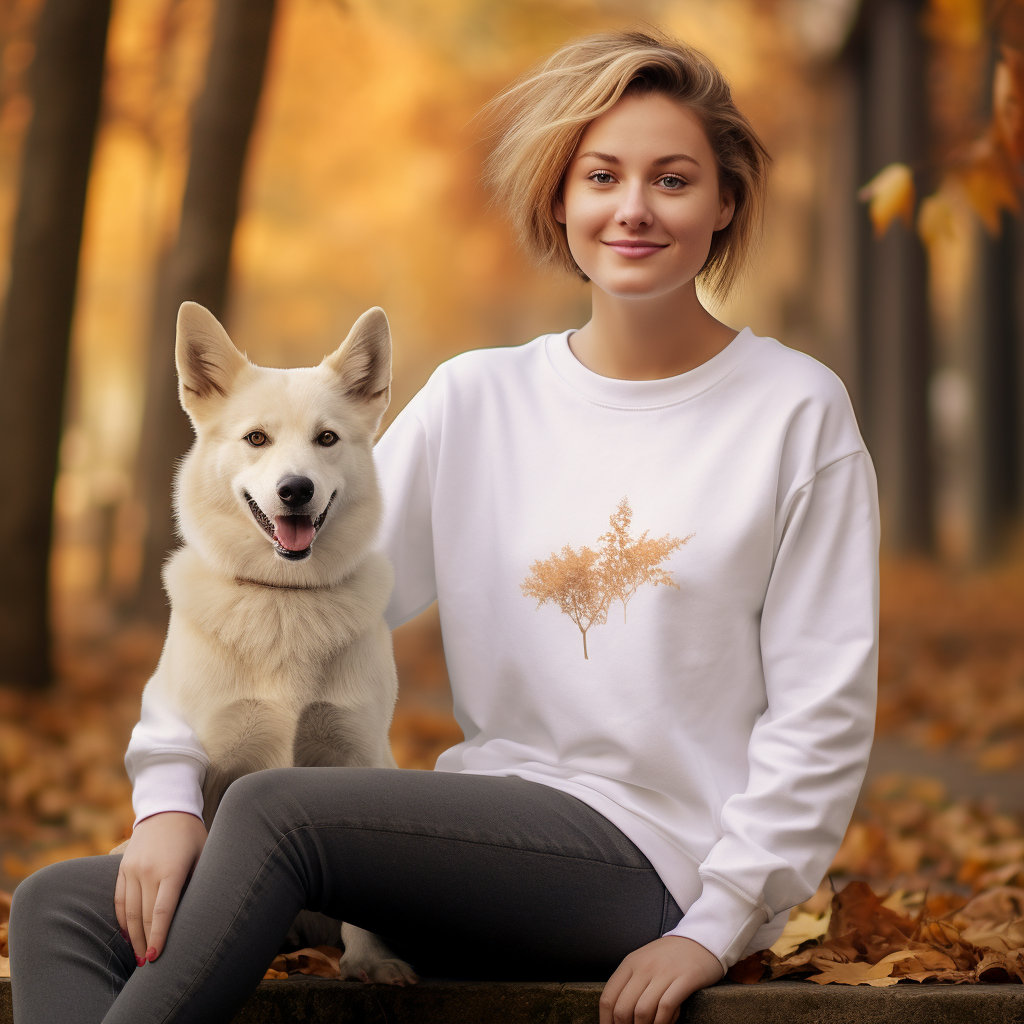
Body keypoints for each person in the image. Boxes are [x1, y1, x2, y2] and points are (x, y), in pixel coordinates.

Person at [9, 27, 879, 1024]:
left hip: (655, 865)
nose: (633, 207)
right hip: (471, 849)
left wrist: (713, 922)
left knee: (269, 808)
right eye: (602, 175)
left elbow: (823, 710)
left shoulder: (793, 412)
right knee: (63, 905)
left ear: (725, 201)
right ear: (559, 197)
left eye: (672, 179)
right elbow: (258, 591)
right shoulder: (478, 399)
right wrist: (166, 793)